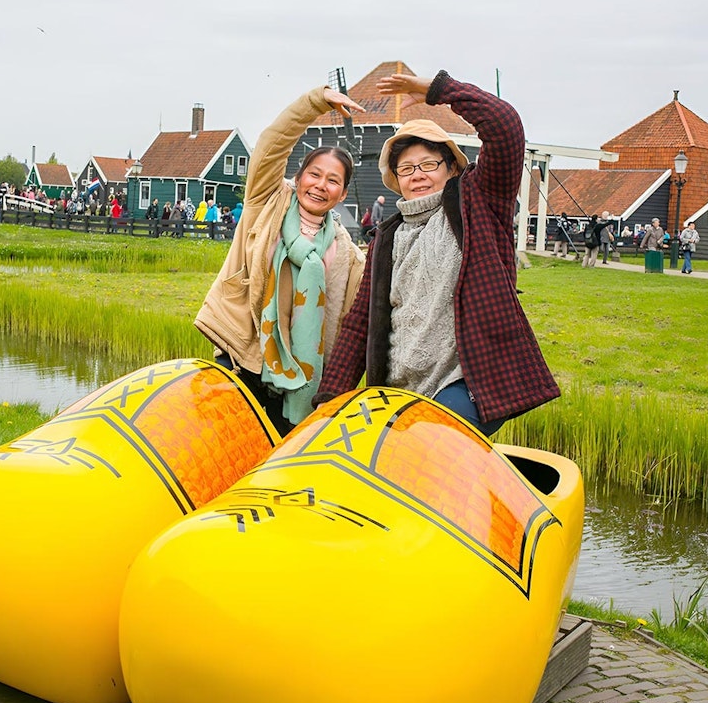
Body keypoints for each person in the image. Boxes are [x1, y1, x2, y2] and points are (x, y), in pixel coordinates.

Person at [315, 70, 559, 436]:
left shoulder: (478, 202)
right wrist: (329, 402)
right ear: (396, 179)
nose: (418, 175)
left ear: (452, 168)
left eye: (429, 164)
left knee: (424, 444)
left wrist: (437, 90)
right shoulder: (388, 235)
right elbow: (359, 323)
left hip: (466, 384)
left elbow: (505, 127)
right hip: (399, 389)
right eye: (407, 168)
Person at [194, 84, 367, 435]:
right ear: (299, 177)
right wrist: (314, 103)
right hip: (244, 356)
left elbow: (347, 322)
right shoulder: (267, 202)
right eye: (314, 174)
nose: (320, 185)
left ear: (343, 193)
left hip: (300, 381)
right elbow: (272, 144)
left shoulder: (347, 253)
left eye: (333, 181)